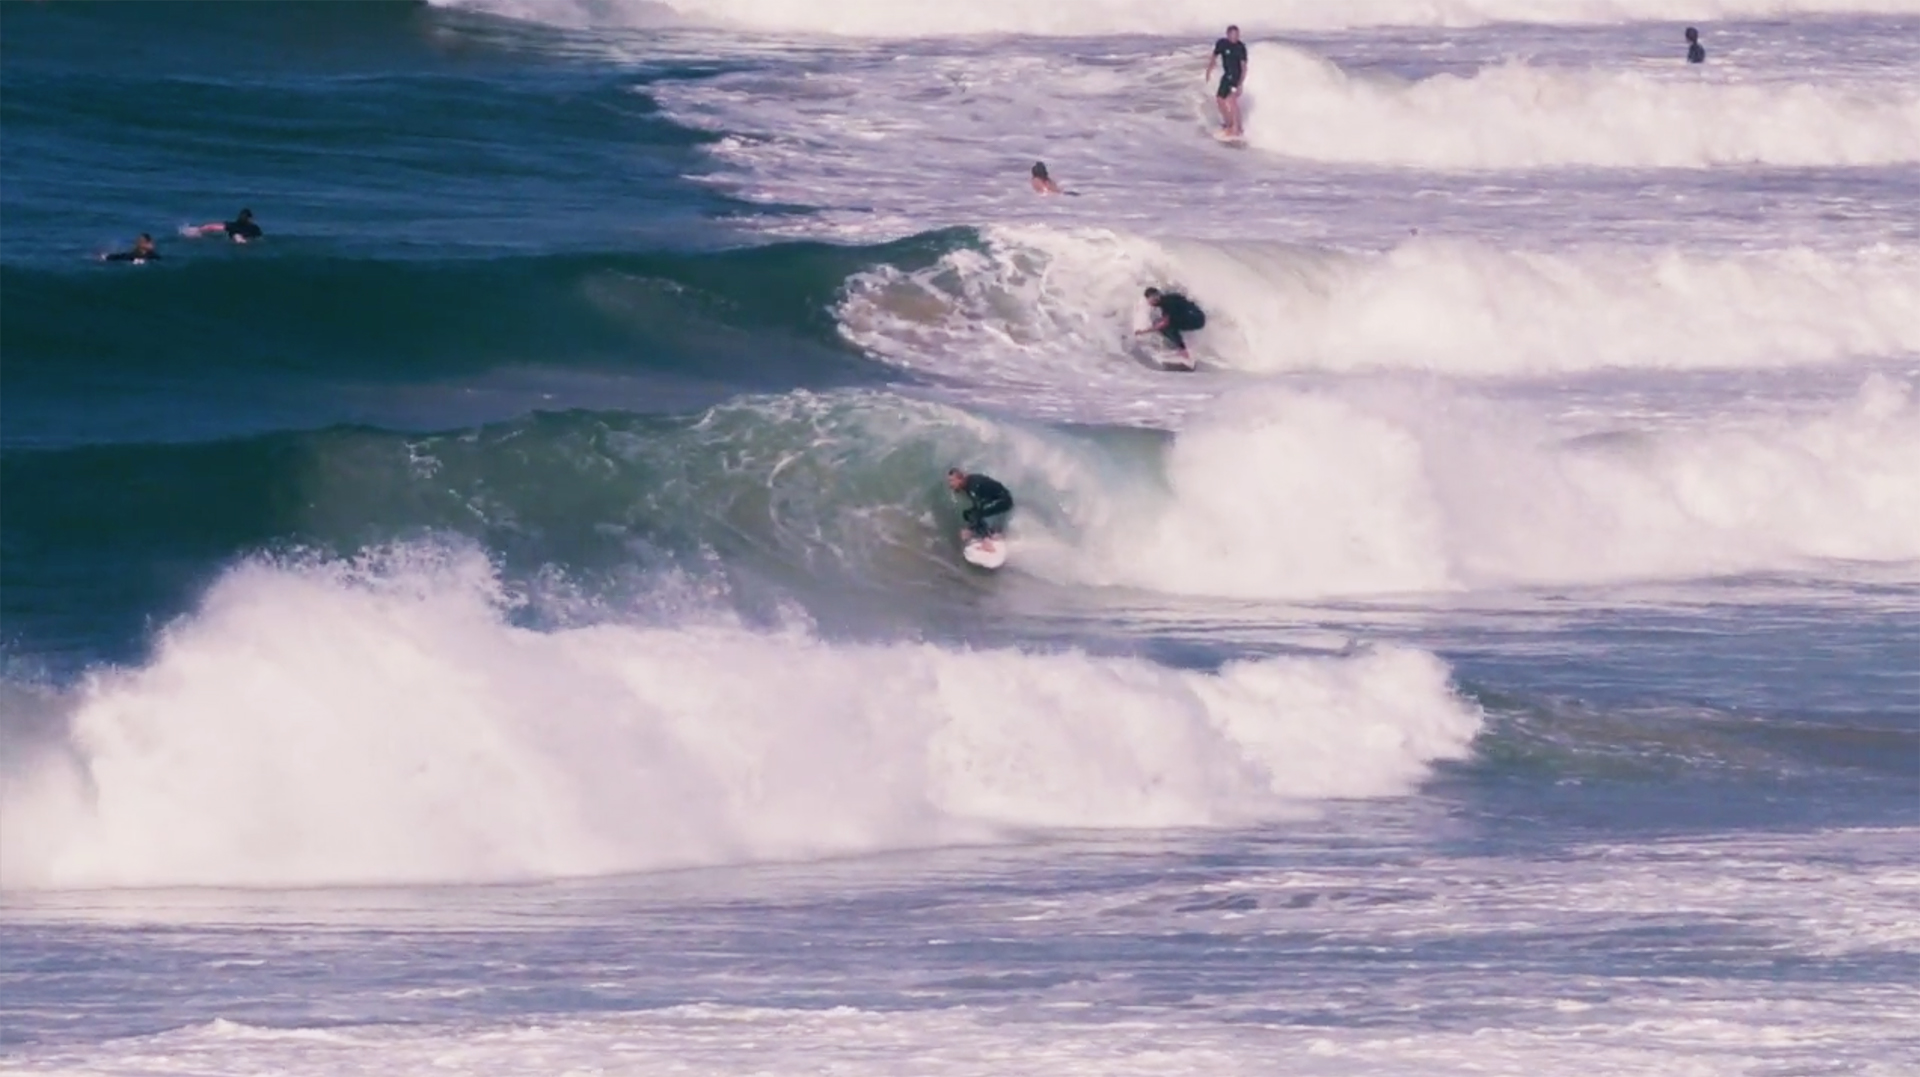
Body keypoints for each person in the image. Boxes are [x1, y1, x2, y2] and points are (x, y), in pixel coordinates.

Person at [1135, 287, 1206, 367]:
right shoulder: (1167, 300)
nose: (1149, 302)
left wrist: (1144, 331)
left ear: (1156, 296)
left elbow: (1164, 323)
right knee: (1165, 325)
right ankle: (1181, 350)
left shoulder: (1167, 302)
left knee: (1166, 326)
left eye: (1150, 298)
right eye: (1148, 299)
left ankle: (1184, 353)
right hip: (1196, 316)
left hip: (1196, 318)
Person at [946, 468, 1014, 542]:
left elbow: (980, 508)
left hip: (1003, 500)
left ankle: (987, 540)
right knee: (967, 514)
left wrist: (969, 529)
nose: (950, 485)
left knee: (978, 513)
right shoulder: (968, 485)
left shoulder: (973, 485)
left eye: (952, 481)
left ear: (960, 479)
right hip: (994, 500)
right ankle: (992, 533)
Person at [1205, 25, 1249, 138]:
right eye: (1233, 35)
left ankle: (1237, 128)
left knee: (1231, 100)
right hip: (1226, 76)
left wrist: (1240, 84)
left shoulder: (1241, 47)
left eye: (1237, 35)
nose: (1236, 37)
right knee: (1219, 100)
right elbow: (1214, 57)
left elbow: (1244, 67)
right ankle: (1229, 123)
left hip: (1235, 76)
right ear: (1228, 34)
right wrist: (1209, 70)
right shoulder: (1222, 43)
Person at [187, 207, 263, 242]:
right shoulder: (254, 228)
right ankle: (197, 230)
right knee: (237, 236)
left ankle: (196, 230)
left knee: (236, 236)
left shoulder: (253, 228)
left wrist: (199, 229)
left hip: (236, 234)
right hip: (239, 235)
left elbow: (213, 227)